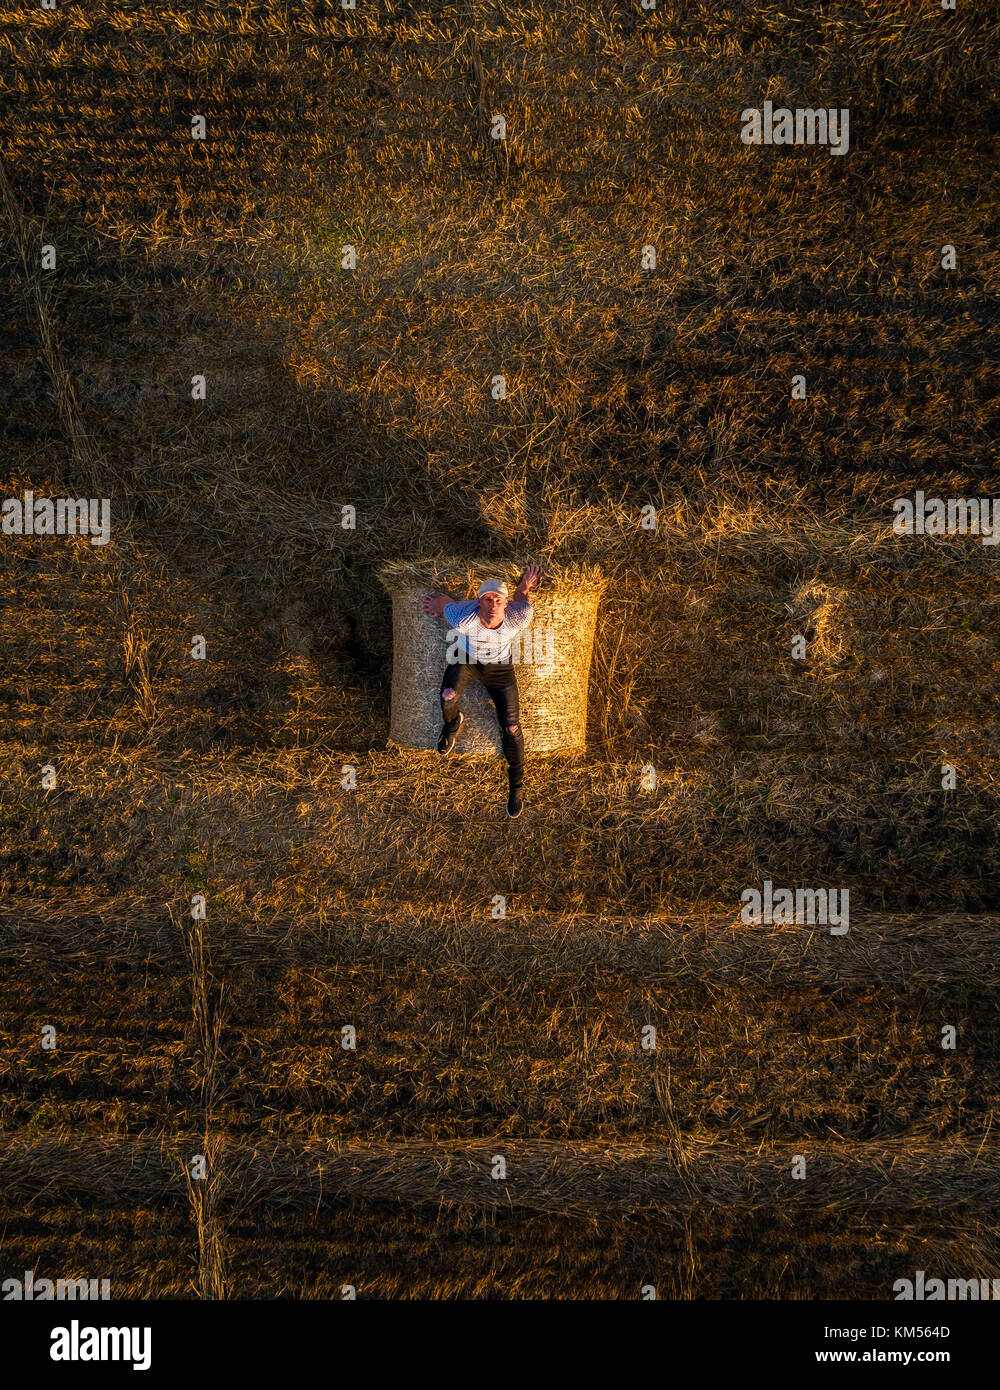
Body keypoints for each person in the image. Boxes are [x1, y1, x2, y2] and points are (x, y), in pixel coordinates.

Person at [421, 565, 541, 817]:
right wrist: (437, 604)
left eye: (498, 600)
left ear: (505, 603)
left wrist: (524, 587)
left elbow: (521, 601)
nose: (493, 605)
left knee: (512, 728)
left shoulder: (519, 616)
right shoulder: (463, 617)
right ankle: (453, 724)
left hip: (499, 668)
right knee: (447, 696)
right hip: (466, 660)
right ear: (479, 602)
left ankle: (516, 784)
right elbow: (445, 603)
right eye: (488, 599)